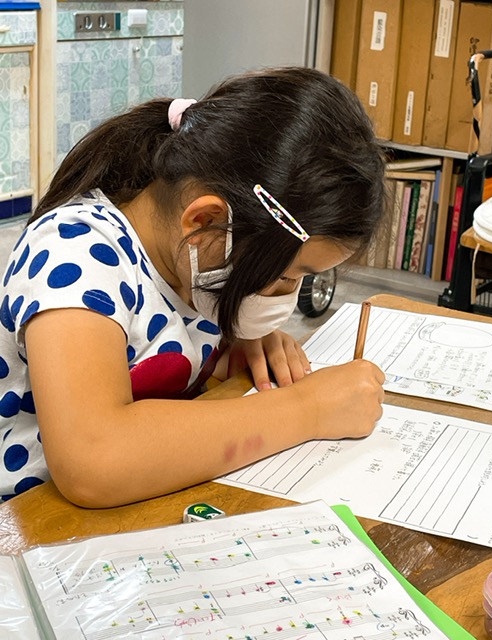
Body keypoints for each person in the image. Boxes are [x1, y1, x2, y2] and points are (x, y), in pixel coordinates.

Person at [0, 67, 387, 507]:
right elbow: (93, 461)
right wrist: (308, 409)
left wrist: (237, 344)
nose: (286, 296)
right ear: (205, 222)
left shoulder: (195, 268)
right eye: (286, 276)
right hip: (28, 523)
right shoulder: (77, 254)